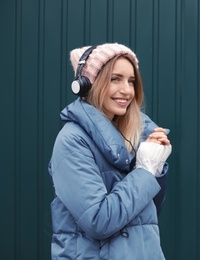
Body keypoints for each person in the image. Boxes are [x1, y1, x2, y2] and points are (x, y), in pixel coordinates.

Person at [48, 43, 172, 259]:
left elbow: (144, 216)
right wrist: (145, 169)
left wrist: (156, 166)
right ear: (87, 85)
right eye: (115, 79)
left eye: (131, 81)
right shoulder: (72, 142)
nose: (127, 90)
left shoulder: (135, 136)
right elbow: (99, 220)